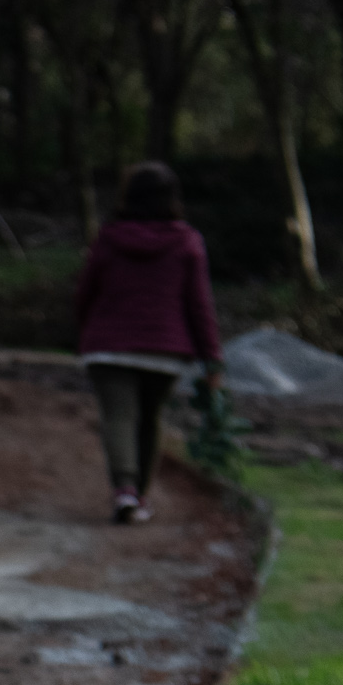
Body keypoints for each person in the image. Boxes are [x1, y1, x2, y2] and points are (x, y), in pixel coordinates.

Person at [69, 161, 222, 524]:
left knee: (118, 416)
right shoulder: (187, 242)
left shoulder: (108, 238)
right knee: (150, 418)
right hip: (165, 348)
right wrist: (211, 358)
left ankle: (124, 490)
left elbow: (84, 292)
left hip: (109, 345)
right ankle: (140, 495)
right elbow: (199, 303)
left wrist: (86, 327)